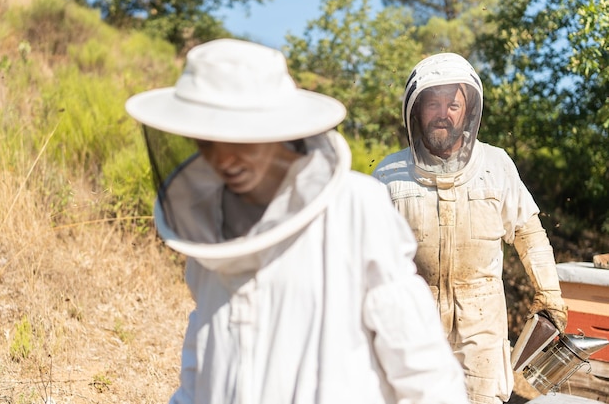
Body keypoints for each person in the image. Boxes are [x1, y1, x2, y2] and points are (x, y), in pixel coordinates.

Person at [125, 39, 468, 404]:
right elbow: (201, 365)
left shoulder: (355, 208)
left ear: (279, 131)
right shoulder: (206, 233)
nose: (224, 160)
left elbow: (423, 369)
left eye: (240, 141)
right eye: (209, 142)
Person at [372, 52, 568, 404]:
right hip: (413, 322)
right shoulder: (389, 175)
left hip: (481, 323)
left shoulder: (496, 165)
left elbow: (528, 233)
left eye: (453, 104)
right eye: (433, 103)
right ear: (415, 110)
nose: (443, 113)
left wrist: (549, 294)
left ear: (469, 111)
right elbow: (363, 254)